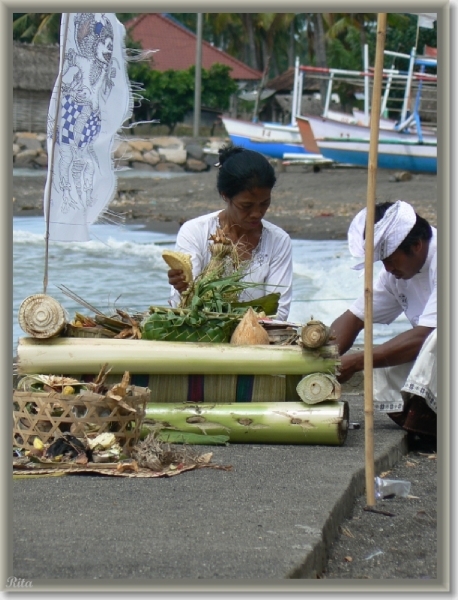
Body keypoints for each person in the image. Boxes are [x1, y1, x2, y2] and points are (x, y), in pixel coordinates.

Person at [330, 200, 437, 439]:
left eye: (389, 260)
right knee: (383, 361)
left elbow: (425, 337)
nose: (387, 268)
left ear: (417, 245)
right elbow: (356, 317)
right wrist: (321, 358)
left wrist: (357, 361)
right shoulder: (395, 273)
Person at [167, 144, 293, 321]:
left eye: (264, 203)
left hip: (255, 337)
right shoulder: (195, 232)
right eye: (246, 206)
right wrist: (184, 289)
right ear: (225, 195)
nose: (257, 213)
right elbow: (183, 308)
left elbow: (278, 312)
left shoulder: (278, 241)